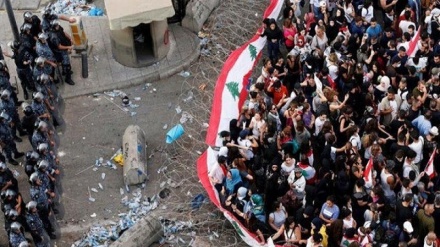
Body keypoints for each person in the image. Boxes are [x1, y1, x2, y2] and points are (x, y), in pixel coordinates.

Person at [47, 20, 75, 85]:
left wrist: (70, 38)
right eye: (56, 26)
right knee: (67, 65)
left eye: (58, 25)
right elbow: (59, 47)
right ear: (54, 27)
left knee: (66, 64)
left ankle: (64, 71)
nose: (58, 26)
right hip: (60, 52)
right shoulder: (53, 36)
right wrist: (68, 47)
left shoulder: (58, 27)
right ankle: (68, 78)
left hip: (65, 45)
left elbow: (63, 32)